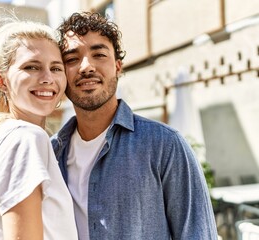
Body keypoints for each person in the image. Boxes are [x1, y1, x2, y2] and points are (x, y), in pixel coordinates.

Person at [51, 12, 218, 239]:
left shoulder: (165, 145)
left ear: (118, 67)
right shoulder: (51, 153)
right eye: (71, 59)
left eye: (99, 54)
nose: (86, 67)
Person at [0, 13, 78, 240]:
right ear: (1, 81)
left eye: (56, 68)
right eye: (31, 67)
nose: (47, 78)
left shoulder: (5, 137)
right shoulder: (25, 139)